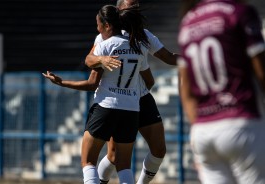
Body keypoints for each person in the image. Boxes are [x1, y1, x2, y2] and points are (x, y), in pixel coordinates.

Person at [47, 4, 153, 183]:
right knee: (124, 166)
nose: (97, 28)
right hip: (132, 110)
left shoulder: (106, 45)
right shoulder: (139, 46)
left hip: (106, 107)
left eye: (98, 24)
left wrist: (62, 82)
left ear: (107, 26)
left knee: (88, 161)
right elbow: (149, 81)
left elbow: (89, 69)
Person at [85, 0, 179, 183]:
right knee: (113, 156)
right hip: (119, 99)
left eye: (137, 5)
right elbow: (90, 59)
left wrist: (193, 58)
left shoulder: (144, 35)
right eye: (131, 5)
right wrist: (102, 59)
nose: (136, 8)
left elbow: (168, 58)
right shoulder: (105, 36)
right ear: (119, 10)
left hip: (140, 97)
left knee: (159, 150)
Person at [178, 0, 265, 183]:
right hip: (241, 121)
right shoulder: (237, 12)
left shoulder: (188, 22)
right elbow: (262, 72)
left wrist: (197, 127)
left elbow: (185, 88)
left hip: (203, 131)